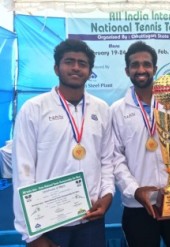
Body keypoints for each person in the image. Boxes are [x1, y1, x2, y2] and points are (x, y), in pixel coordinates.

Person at [12, 39, 115, 247]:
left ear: (90, 71)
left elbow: (106, 160)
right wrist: (31, 235)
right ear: (56, 68)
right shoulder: (34, 109)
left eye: (82, 63)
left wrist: (107, 195)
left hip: (91, 219)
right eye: (69, 62)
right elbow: (23, 171)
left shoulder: (102, 109)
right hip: (49, 224)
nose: (76, 67)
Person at [111, 41, 170, 247]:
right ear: (127, 70)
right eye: (135, 65)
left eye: (147, 64)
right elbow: (116, 158)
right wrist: (135, 190)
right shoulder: (117, 110)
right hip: (137, 206)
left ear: (154, 67)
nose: (141, 69)